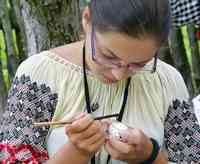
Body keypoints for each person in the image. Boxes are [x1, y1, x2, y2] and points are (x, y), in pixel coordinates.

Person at [0, 0, 199, 163]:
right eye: (108, 56)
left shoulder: (167, 81)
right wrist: (76, 152)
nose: (119, 75)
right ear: (87, 20)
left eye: (139, 64)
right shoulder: (39, 76)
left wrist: (150, 156)